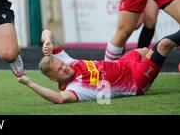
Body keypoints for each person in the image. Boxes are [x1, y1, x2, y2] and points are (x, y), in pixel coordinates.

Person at [17, 29, 180, 103]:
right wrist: (29, 83)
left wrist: (47, 40)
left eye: (62, 64)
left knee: (145, 51)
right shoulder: (74, 89)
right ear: (53, 78)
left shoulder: (66, 61)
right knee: (164, 45)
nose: (64, 67)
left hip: (123, 64)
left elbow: (47, 32)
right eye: (60, 70)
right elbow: (58, 99)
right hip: (135, 81)